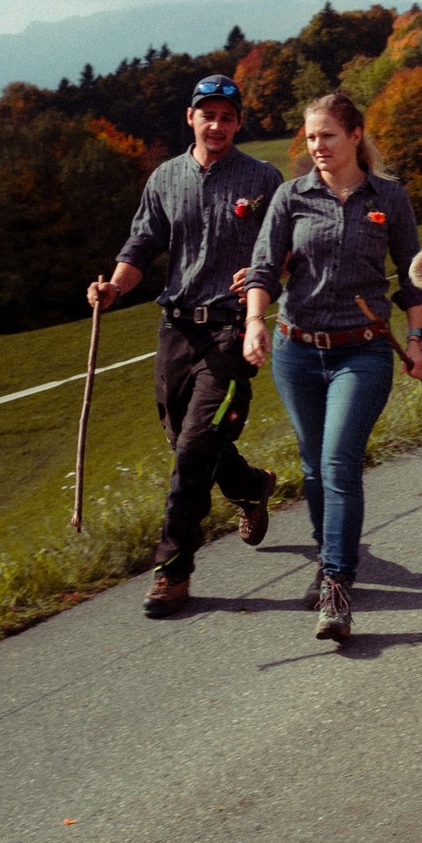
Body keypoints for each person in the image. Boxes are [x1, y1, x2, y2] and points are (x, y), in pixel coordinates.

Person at [86, 74, 282, 620]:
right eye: (207, 115)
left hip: (231, 332)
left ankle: (173, 573)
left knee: (195, 451)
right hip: (176, 330)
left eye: (226, 116)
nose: (216, 125)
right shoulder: (165, 178)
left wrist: (266, 276)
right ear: (191, 118)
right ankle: (249, 486)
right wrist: (114, 287)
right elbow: (142, 242)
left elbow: (287, 247)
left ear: (239, 122)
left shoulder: (263, 179)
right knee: (183, 439)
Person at [242, 91, 422, 642]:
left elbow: (412, 274)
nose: (317, 146)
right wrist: (256, 321)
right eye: (310, 137)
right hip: (296, 350)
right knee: (312, 466)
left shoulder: (388, 199)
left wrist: (416, 338)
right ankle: (330, 558)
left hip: (362, 351)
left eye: (327, 135)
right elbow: (262, 267)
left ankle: (336, 586)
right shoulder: (290, 197)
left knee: (338, 461)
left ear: (354, 135)